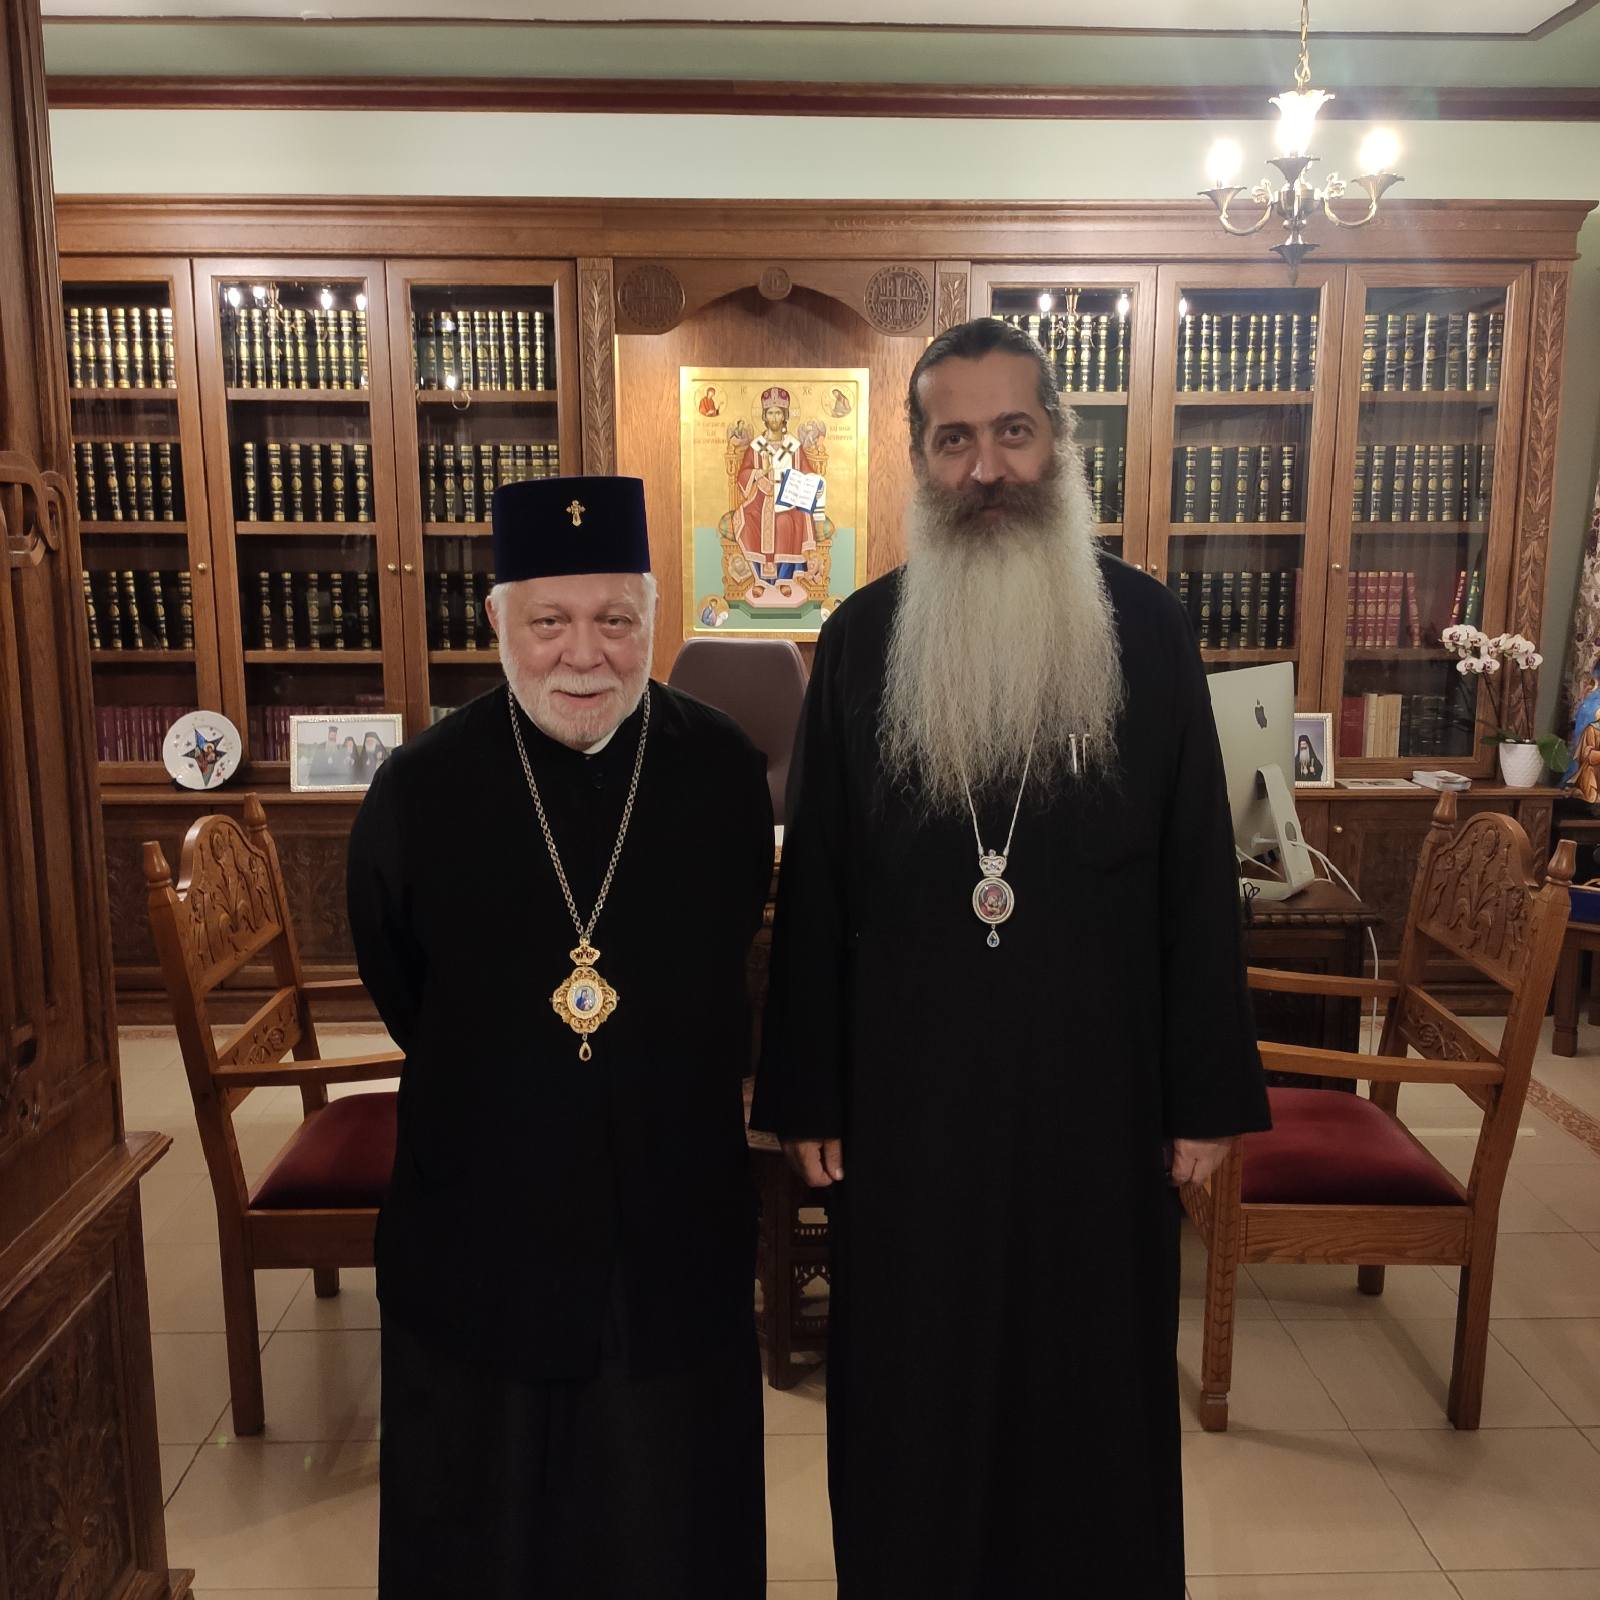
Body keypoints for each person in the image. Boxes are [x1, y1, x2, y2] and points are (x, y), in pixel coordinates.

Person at [753, 316, 1269, 1598]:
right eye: (953, 440)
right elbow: (817, 885)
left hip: (1100, 1102)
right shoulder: (862, 640)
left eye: (1012, 433)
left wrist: (1204, 1095)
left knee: (1090, 1395)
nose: (985, 468)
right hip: (908, 1110)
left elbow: (1197, 870)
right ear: (920, 460)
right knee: (913, 1391)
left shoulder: (1146, 629)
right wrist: (807, 1092)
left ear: (1059, 446)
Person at [348, 474, 772, 1599]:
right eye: (550, 621)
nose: (584, 654)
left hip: (670, 1211)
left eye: (614, 619)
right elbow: (398, 979)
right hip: (482, 1213)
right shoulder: (419, 789)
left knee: (667, 1510)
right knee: (487, 1525)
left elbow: (735, 947)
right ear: (499, 621)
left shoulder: (723, 771)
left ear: (652, 622)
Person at [730, 386, 821, 584]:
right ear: (764, 416)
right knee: (747, 519)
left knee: (786, 523)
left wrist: (803, 483)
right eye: (770, 413)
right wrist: (758, 474)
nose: (774, 417)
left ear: (785, 415)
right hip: (761, 497)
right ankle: (762, 580)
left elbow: (808, 473)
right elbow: (743, 473)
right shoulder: (756, 446)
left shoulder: (793, 446)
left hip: (788, 499)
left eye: (778, 412)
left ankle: (784, 580)